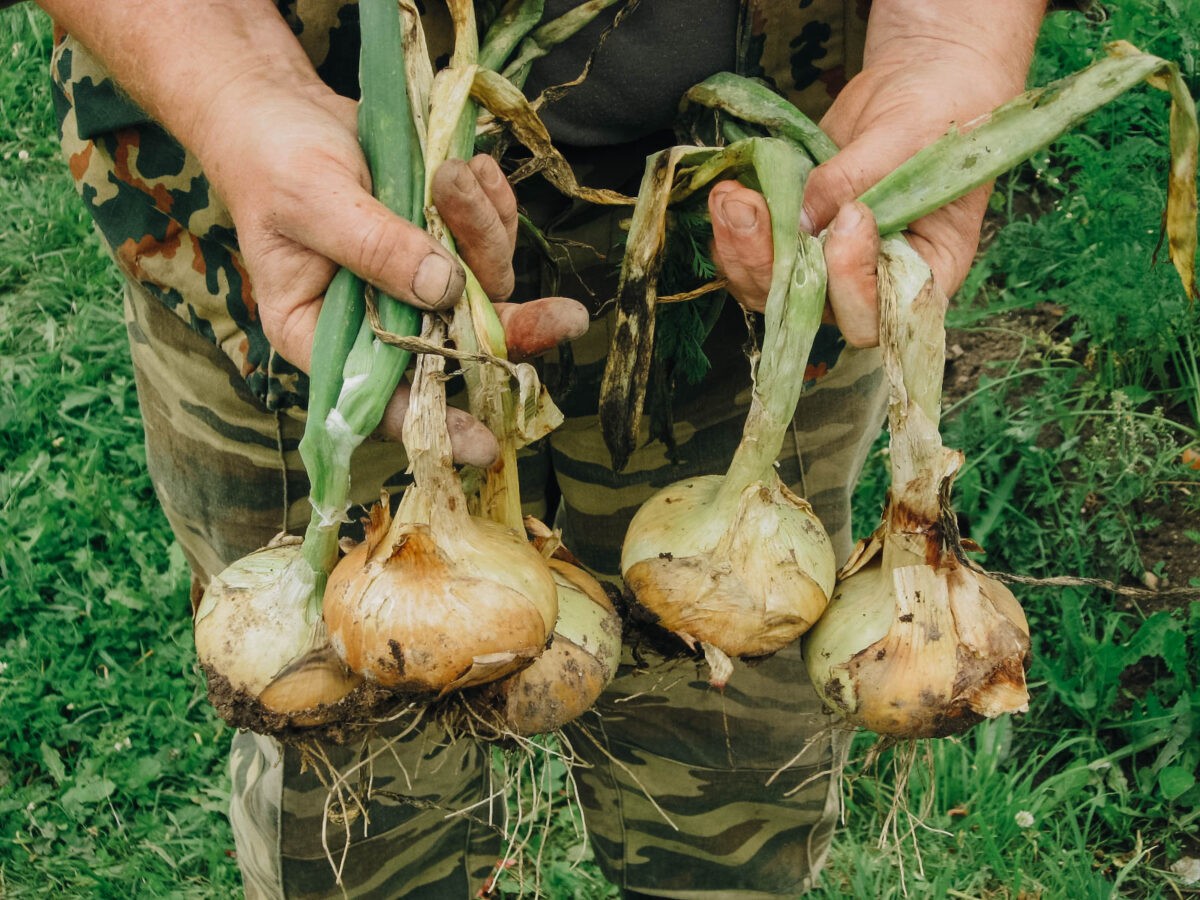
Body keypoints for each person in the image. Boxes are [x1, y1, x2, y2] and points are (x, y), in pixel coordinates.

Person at [36, 0, 1047, 896]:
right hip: (315, 226)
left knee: (732, 750)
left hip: (771, 220)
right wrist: (235, 85)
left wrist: (947, 38)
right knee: (349, 784)